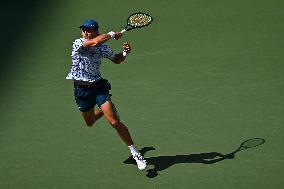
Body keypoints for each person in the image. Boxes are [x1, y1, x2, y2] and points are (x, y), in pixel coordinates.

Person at [66, 19, 147, 170]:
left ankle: (135, 152)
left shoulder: (102, 47)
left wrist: (124, 53)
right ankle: (104, 110)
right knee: (89, 122)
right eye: (83, 29)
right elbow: (95, 42)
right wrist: (111, 34)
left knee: (115, 122)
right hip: (81, 91)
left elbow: (116, 60)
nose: (85, 32)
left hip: (98, 87)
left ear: (95, 31)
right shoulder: (78, 43)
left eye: (88, 30)